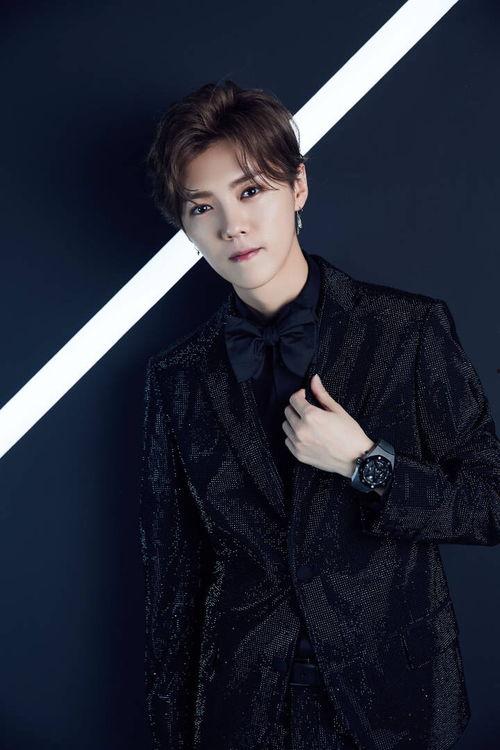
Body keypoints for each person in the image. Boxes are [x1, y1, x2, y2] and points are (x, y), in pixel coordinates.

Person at [139, 79, 500, 750]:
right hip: (240, 709)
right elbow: (173, 580)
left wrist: (368, 464)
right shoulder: (177, 378)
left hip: (392, 704)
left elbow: (491, 502)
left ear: (297, 186)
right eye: (202, 207)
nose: (232, 225)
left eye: (251, 191)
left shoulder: (407, 331)